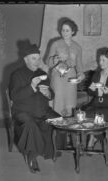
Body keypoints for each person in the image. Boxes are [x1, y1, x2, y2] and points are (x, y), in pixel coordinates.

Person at [9, 41, 67, 173]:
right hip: (23, 111)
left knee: (59, 119)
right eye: (33, 58)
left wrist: (48, 93)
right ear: (25, 59)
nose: (37, 61)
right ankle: (31, 156)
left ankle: (51, 150)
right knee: (30, 124)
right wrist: (32, 86)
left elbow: (51, 93)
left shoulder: (43, 73)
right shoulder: (16, 75)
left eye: (38, 58)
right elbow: (14, 96)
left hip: (42, 110)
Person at [46, 17, 85, 117]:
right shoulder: (55, 44)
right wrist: (54, 60)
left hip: (71, 79)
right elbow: (47, 62)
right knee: (58, 101)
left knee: (70, 102)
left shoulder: (78, 47)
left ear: (73, 31)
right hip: (57, 77)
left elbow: (79, 66)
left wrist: (80, 75)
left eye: (67, 30)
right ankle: (56, 125)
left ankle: (68, 127)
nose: (64, 32)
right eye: (63, 30)